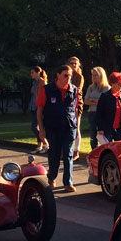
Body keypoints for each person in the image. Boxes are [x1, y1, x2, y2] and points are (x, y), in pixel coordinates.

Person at [36, 64, 80, 192]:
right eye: (65, 75)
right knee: (54, 155)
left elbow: (75, 110)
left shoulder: (74, 90)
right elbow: (39, 110)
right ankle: (51, 177)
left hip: (69, 127)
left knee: (68, 154)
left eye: (70, 76)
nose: (68, 78)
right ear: (58, 75)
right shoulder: (47, 90)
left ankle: (68, 182)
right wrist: (41, 129)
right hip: (53, 127)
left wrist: (77, 128)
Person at [95, 71, 121, 144]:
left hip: (119, 129)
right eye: (119, 84)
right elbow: (99, 114)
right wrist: (100, 129)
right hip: (107, 129)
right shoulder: (105, 96)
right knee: (107, 148)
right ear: (112, 83)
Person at [83, 66, 110, 149]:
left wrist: (93, 100)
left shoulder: (107, 88)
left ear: (101, 76)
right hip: (92, 113)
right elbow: (85, 101)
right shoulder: (91, 87)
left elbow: (105, 102)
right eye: (92, 75)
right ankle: (94, 150)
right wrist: (96, 101)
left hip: (102, 114)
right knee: (93, 134)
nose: (93, 77)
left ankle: (105, 150)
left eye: (95, 75)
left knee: (103, 134)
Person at [67, 56, 85, 159]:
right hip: (66, 104)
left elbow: (77, 90)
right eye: (71, 63)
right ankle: (67, 150)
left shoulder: (79, 76)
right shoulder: (66, 75)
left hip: (76, 103)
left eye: (75, 63)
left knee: (76, 126)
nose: (73, 65)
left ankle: (76, 150)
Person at [28, 66, 48, 154]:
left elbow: (43, 95)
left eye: (33, 72)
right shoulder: (34, 83)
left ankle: (45, 143)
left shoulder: (42, 82)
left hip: (39, 107)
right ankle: (39, 146)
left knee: (34, 127)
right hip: (33, 106)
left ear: (38, 72)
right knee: (37, 127)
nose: (31, 74)